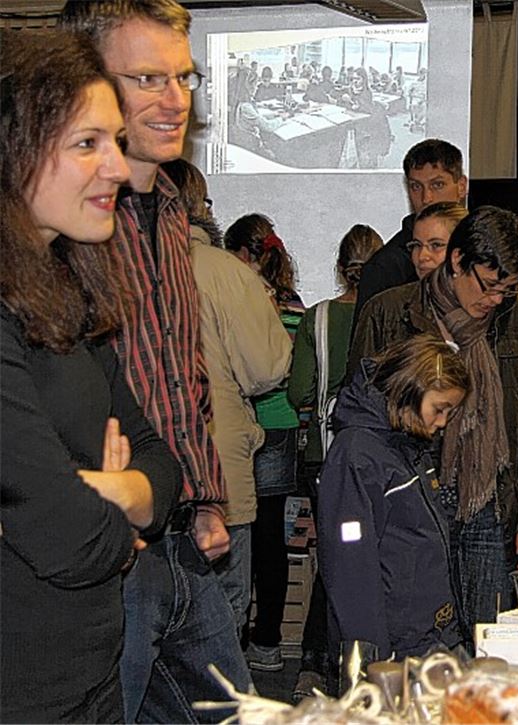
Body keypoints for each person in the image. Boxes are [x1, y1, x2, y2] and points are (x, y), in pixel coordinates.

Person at [59, 1, 254, 720]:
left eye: (185, 77)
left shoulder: (172, 208)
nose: (177, 101)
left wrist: (204, 494)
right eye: (149, 78)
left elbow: (181, 373)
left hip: (180, 537)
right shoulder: (58, 227)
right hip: (106, 552)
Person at [0, 28, 181, 723]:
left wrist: (107, 490)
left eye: (115, 139)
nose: (116, 164)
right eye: (87, 144)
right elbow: (71, 539)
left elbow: (163, 467)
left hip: (92, 674)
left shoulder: (66, 291)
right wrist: (122, 521)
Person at [349, 206, 518, 635]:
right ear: (457, 260)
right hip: (412, 502)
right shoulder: (389, 312)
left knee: (489, 638)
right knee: (420, 636)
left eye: (509, 288)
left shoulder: (515, 318)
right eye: (489, 285)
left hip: (489, 502)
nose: (495, 300)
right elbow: (358, 415)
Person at [163, 162, 292, 645]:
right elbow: (267, 367)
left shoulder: (115, 265)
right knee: (216, 621)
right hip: (216, 466)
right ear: (198, 207)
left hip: (139, 474)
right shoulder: (225, 273)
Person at [319, 335, 469, 666]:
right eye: (439, 409)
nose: (442, 422)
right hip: (392, 649)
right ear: (408, 391)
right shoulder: (356, 456)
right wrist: (371, 657)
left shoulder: (408, 444)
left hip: (430, 636)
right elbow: (349, 568)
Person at [287, 223, 383, 699]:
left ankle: (312, 665)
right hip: (377, 460)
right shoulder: (389, 312)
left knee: (330, 561)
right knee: (368, 560)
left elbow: (299, 390)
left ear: (340, 266)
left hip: (323, 455)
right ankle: (361, 663)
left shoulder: (318, 318)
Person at [224, 214, 306, 672]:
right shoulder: (293, 304)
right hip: (284, 424)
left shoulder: (238, 298)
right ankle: (269, 643)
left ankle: (230, 640)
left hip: (242, 423)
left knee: (237, 533)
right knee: (272, 537)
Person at [353, 139, 467, 324]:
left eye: (437, 185)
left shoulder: (485, 251)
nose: (426, 198)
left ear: (461, 186)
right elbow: (365, 348)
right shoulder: (386, 268)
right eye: (416, 187)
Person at [408, 201, 469, 281]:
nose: (421, 257)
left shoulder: (487, 292)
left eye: (436, 245)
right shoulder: (397, 293)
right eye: (417, 245)